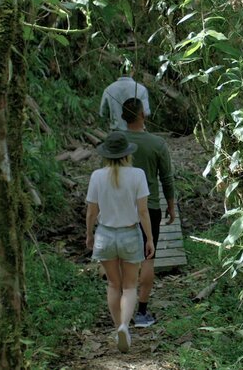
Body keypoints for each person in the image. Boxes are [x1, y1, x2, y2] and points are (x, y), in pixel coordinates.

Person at [85, 131, 155, 353]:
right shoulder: (137, 175)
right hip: (129, 234)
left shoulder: (97, 176)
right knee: (129, 285)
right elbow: (143, 211)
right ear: (127, 154)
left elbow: (91, 211)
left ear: (106, 155)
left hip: (105, 235)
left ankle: (118, 328)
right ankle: (125, 325)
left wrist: (89, 234)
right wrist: (150, 238)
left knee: (113, 284)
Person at [120, 97, 176, 328]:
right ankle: (141, 312)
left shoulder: (117, 142)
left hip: (120, 208)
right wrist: (171, 205)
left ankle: (124, 308)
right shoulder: (156, 143)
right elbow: (167, 178)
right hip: (149, 207)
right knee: (148, 259)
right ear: (142, 115)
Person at [100, 64, 151, 131]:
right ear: (132, 71)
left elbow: (103, 113)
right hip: (136, 131)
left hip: (117, 132)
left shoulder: (109, 89)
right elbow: (146, 112)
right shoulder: (141, 89)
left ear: (119, 71)